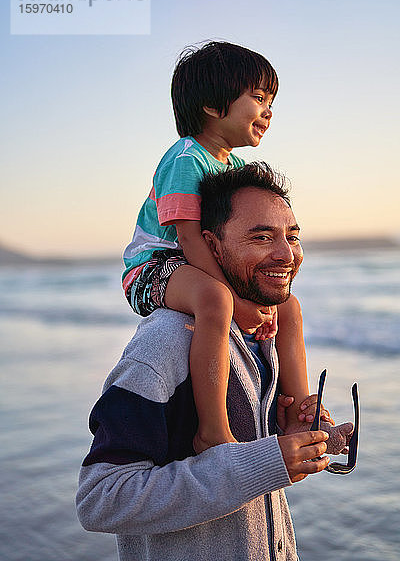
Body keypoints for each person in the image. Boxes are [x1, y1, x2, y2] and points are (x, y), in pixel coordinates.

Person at [77, 163, 352, 561]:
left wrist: (290, 433)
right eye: (261, 237)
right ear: (211, 244)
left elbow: (245, 472)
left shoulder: (262, 336)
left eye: (292, 237)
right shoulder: (168, 343)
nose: (286, 254)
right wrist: (262, 463)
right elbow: (101, 498)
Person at [122, 41, 323, 454]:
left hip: (197, 264)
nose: (269, 111)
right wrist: (237, 300)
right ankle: (213, 429)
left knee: (289, 307)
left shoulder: (234, 168)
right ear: (214, 106)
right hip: (154, 266)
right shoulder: (185, 159)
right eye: (259, 98)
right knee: (215, 301)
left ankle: (301, 410)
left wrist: (262, 304)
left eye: (271, 101)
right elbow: (190, 237)